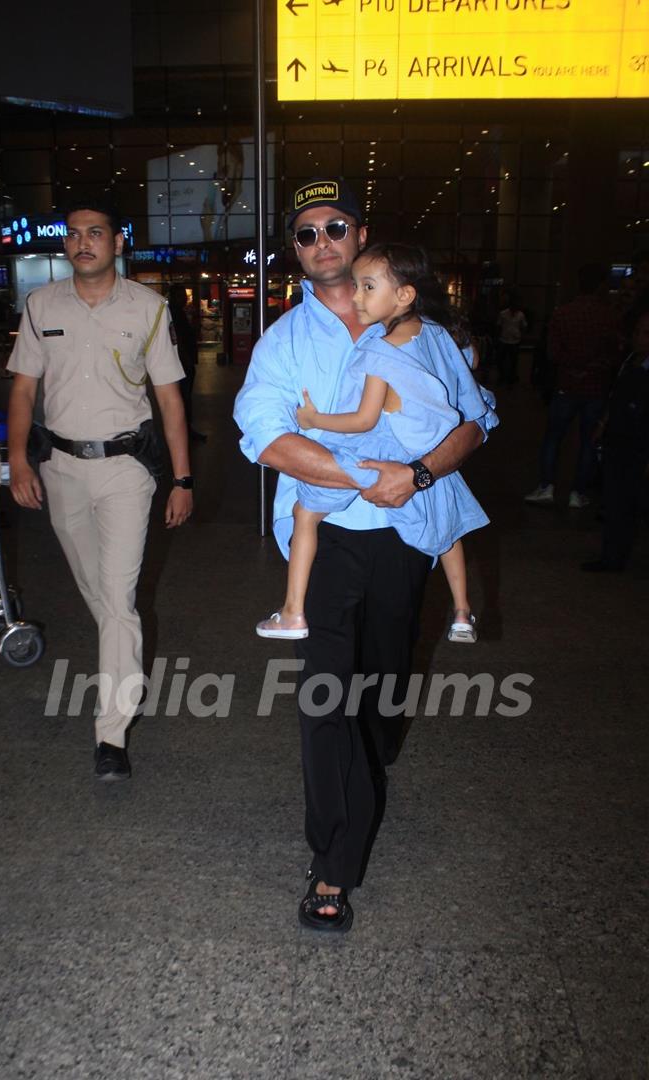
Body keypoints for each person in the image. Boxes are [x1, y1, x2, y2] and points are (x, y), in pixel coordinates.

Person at [234, 179, 496, 933]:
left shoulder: (431, 333)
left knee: (381, 693)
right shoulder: (283, 341)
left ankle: (374, 750)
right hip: (327, 538)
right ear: (296, 250)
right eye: (307, 233)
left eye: (335, 227)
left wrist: (411, 476)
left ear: (361, 235)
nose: (323, 242)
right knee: (324, 699)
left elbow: (477, 422)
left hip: (409, 530)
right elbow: (267, 436)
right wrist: (361, 477)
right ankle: (333, 864)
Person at [6, 200, 192, 782]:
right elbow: (22, 390)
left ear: (117, 243)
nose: (83, 242)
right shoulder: (41, 306)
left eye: (96, 233)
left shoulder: (149, 308)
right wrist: (17, 459)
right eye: (74, 234)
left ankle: (110, 735)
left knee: (116, 598)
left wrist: (182, 479)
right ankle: (124, 661)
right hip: (60, 467)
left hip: (125, 471)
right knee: (100, 594)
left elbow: (169, 401)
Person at [254, 243, 489, 647]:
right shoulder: (437, 334)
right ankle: (462, 610)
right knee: (448, 532)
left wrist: (312, 420)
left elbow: (363, 420)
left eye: (366, 287)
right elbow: (471, 399)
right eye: (357, 286)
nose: (357, 295)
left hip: (379, 454)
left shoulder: (380, 351)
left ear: (403, 295)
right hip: (423, 458)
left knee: (304, 514)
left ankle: (293, 610)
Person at [525, 264, 619, 509]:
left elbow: (553, 352)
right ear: (600, 285)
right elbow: (613, 352)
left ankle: (547, 486)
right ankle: (578, 492)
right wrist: (592, 367)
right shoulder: (608, 315)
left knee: (554, 437)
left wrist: (573, 367)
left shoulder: (563, 313)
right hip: (596, 386)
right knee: (588, 440)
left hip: (567, 384)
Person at [581, 308, 649, 573]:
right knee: (616, 502)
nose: (639, 338)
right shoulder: (630, 361)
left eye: (645, 334)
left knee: (638, 503)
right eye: (638, 332)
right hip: (619, 442)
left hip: (641, 446)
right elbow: (616, 397)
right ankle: (612, 558)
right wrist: (602, 424)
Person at [168, 284, 206, 442]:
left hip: (182, 361)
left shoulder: (175, 312)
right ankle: (185, 432)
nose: (185, 298)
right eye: (182, 295)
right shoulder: (175, 314)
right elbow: (178, 339)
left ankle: (185, 431)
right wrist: (186, 359)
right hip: (181, 363)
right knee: (183, 397)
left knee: (184, 397)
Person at [495, 292, 527, 388]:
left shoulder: (521, 315)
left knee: (514, 361)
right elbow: (498, 325)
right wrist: (498, 337)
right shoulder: (503, 314)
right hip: (504, 339)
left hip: (515, 341)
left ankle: (511, 378)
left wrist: (521, 335)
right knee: (501, 359)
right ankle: (502, 376)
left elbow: (524, 326)